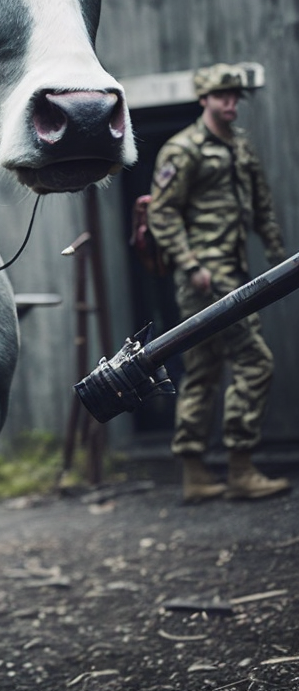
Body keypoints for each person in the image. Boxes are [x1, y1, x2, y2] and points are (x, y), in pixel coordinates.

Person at [148, 63, 290, 503]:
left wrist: (278, 256)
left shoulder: (241, 147)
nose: (231, 104)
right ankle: (240, 466)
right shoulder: (183, 148)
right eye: (223, 96)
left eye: (235, 97)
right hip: (207, 276)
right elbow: (162, 212)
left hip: (238, 271)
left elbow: (262, 204)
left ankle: (196, 474)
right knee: (254, 361)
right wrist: (191, 264)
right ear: (204, 99)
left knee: (205, 369)